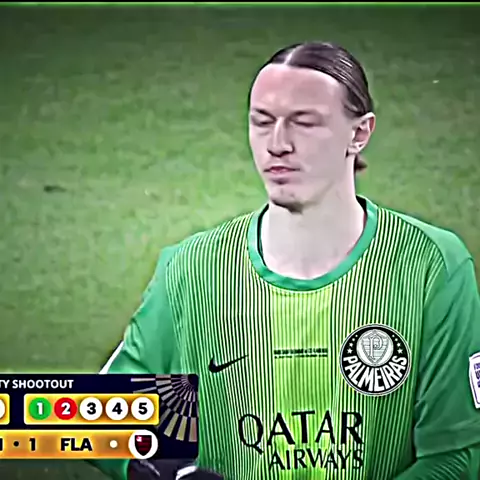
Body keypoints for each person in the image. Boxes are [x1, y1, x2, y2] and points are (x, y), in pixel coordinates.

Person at [91, 41, 480, 479]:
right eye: (262, 122)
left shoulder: (433, 266)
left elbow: (455, 457)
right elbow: (101, 417)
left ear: (359, 133)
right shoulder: (191, 268)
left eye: (305, 123)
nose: (277, 144)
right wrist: (163, 472)